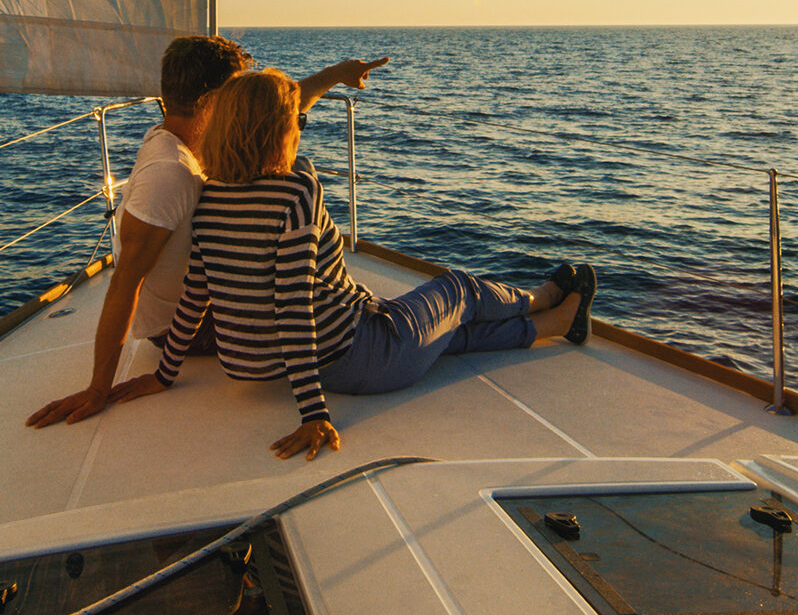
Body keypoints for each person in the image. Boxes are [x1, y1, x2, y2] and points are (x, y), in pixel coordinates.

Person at [106, 68, 597, 462]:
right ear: (281, 130)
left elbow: (198, 290)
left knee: (444, 336)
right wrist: (313, 413)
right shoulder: (296, 193)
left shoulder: (210, 198)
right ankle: (542, 298)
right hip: (357, 356)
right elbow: (292, 305)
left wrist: (164, 374)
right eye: (294, 121)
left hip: (309, 359)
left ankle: (555, 324)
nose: (300, 127)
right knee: (459, 290)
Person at [26, 37, 390, 430]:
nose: (244, 100)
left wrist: (336, 74)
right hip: (188, 330)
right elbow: (126, 278)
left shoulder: (192, 139)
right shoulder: (170, 171)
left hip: (206, 304)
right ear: (217, 100)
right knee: (301, 178)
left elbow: (276, 107)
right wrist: (99, 388)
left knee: (295, 179)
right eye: (237, 90)